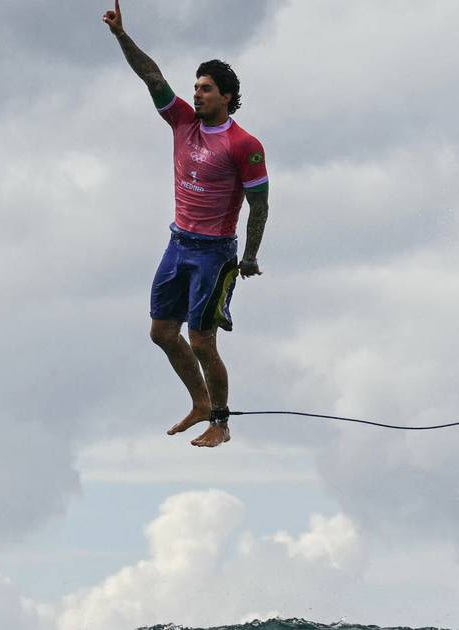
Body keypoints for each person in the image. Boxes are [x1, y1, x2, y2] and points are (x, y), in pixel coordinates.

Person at [103, 0, 270, 448]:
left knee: (201, 340)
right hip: (178, 244)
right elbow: (152, 76)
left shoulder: (244, 144)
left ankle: (220, 421)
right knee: (161, 332)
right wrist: (121, 35)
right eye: (196, 87)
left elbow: (260, 205)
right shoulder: (182, 122)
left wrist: (250, 255)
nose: (197, 94)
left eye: (207, 89)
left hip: (214, 254)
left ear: (227, 97)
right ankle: (199, 402)